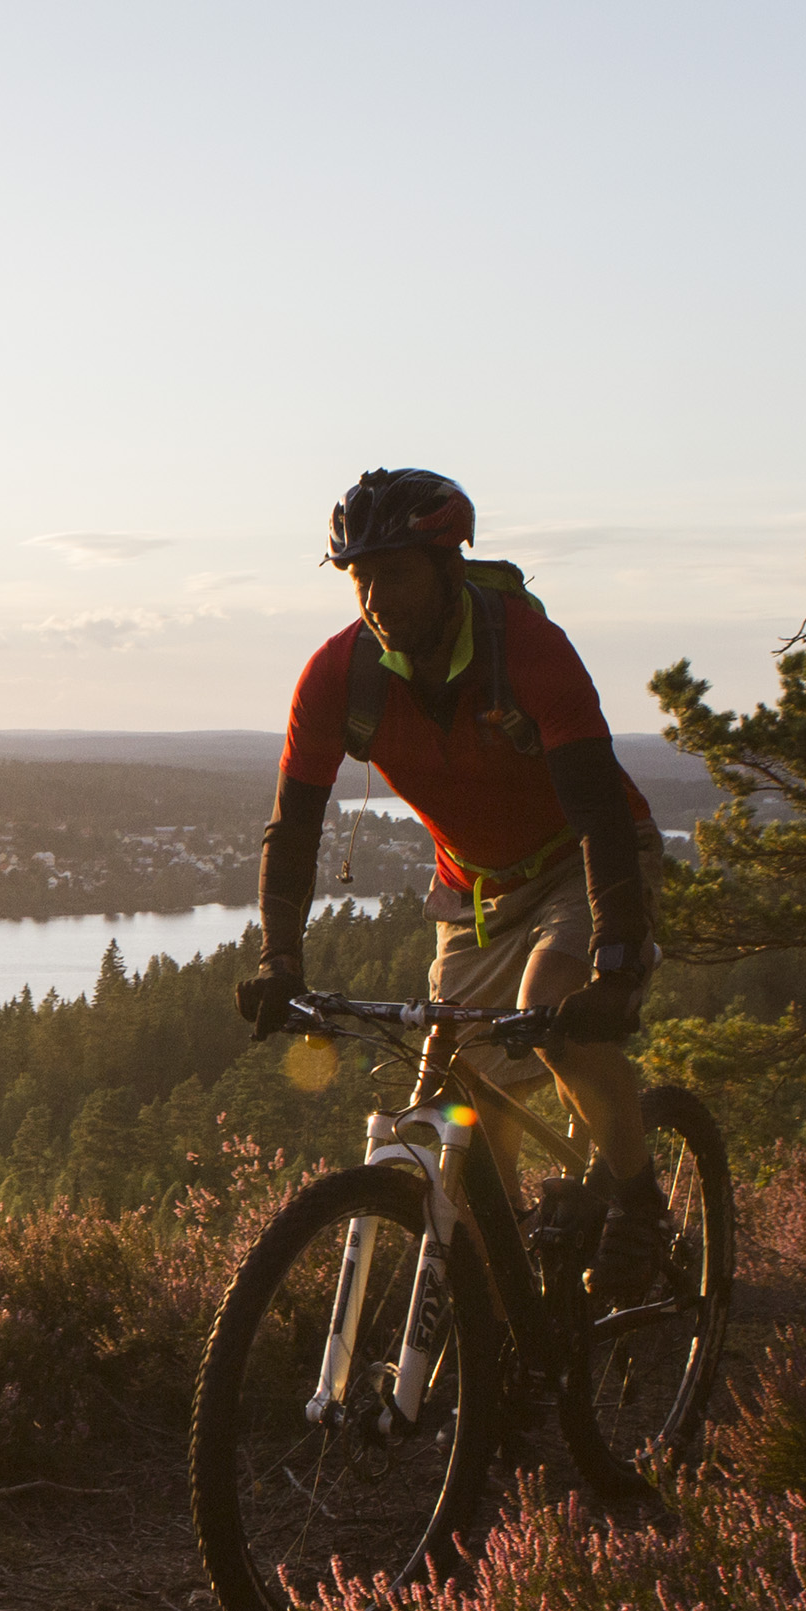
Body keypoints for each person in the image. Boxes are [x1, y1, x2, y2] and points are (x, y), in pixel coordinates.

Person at [238, 466, 671, 1303]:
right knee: (453, 1102)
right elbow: (292, 831)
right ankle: (505, 1307)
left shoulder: (527, 650)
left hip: (581, 861)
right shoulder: (339, 675)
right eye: (360, 577)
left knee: (557, 1020)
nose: (375, 595)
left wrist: (615, 963)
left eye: (393, 571)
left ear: (448, 565)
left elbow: (598, 813)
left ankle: (639, 1202)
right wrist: (279, 961)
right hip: (473, 892)